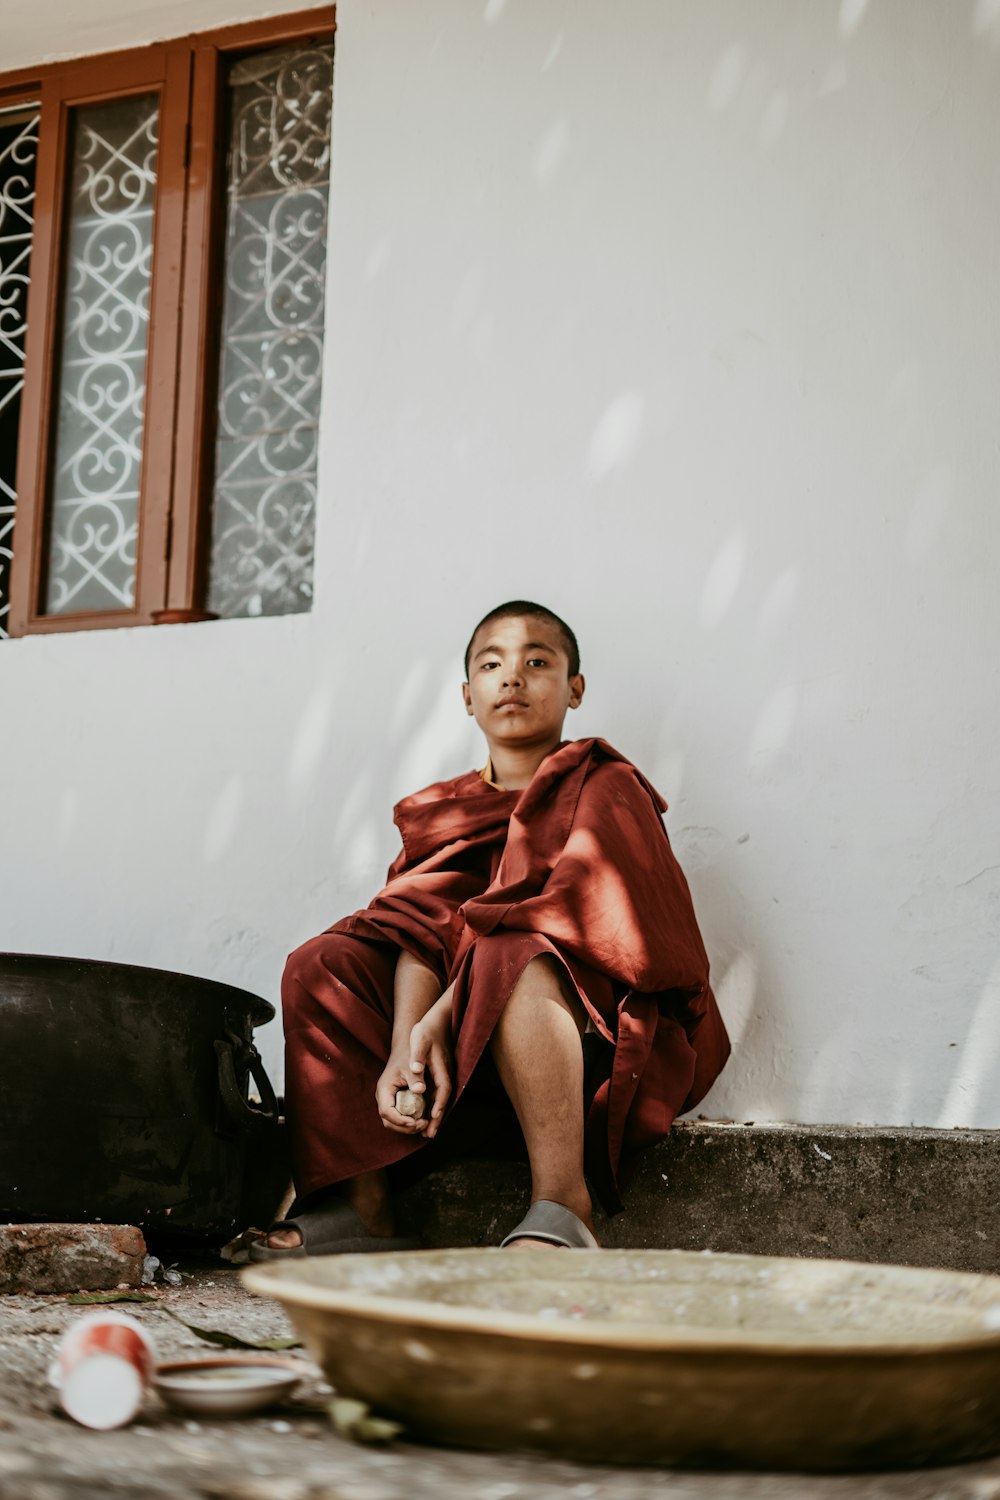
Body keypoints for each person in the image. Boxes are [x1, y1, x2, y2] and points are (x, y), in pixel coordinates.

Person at [251, 601, 729, 1259]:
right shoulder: (444, 810)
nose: (513, 678)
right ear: (467, 697)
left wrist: (445, 1017)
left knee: (516, 949)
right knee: (323, 962)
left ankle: (562, 1203)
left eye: (538, 662)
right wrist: (405, 1047)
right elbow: (417, 927)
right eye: (492, 664)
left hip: (576, 1046)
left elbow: (581, 924)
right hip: (455, 1066)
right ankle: (362, 1206)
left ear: (575, 689)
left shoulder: (603, 784)